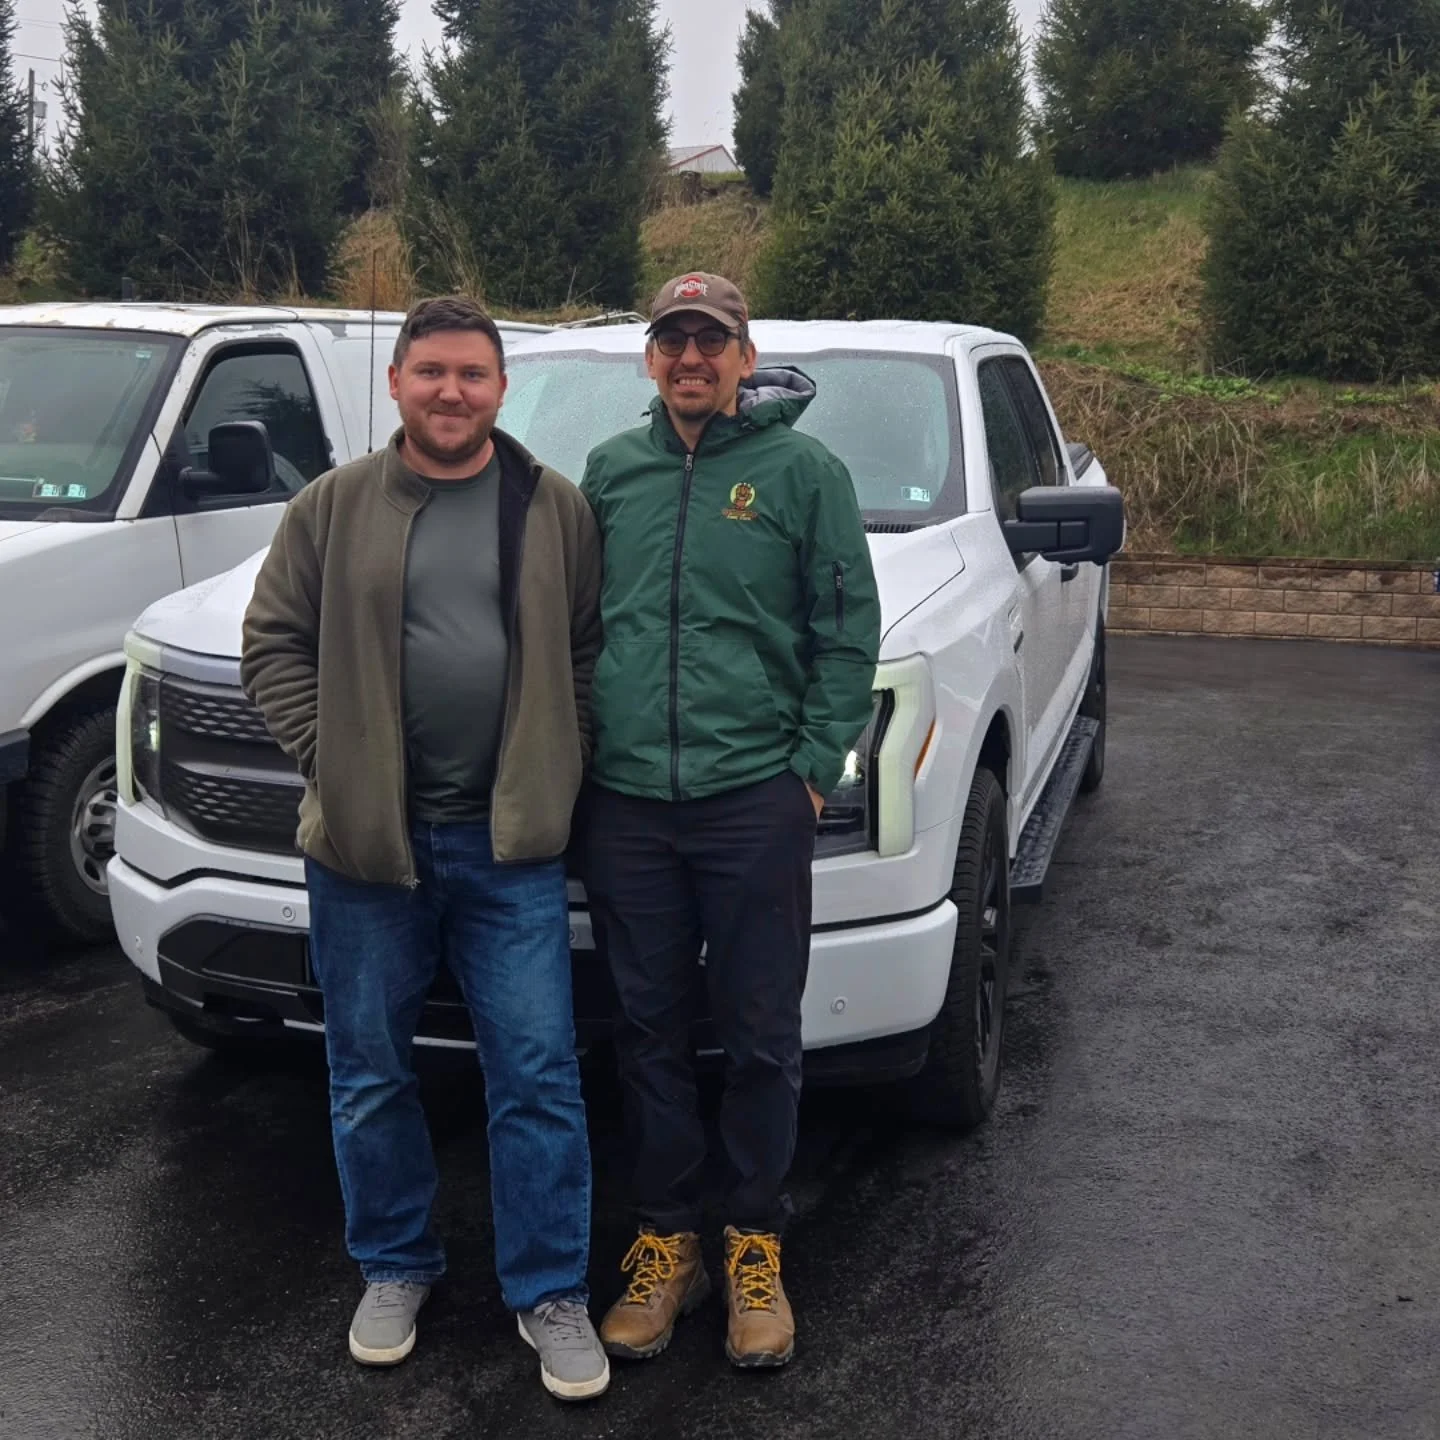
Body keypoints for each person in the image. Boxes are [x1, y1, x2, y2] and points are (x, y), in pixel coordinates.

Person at [240, 295, 609, 1402]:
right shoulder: (331, 505)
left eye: (474, 375)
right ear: (396, 382)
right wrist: (330, 757)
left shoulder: (553, 506)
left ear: (502, 389)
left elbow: (585, 650)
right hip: (365, 854)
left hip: (511, 850)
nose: (453, 392)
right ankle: (395, 1265)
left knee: (538, 1074)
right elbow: (272, 642)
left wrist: (562, 755)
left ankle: (549, 1290)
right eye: (432, 371)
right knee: (366, 1077)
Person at [579, 272, 881, 1369]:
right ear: (650, 359)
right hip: (626, 805)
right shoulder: (611, 474)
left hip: (754, 798)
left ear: (747, 358)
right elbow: (579, 627)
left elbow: (849, 634)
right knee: (648, 1031)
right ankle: (669, 1245)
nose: (693, 358)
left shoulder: (804, 473)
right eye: (674, 341)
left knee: (760, 1034)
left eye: (713, 340)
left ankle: (754, 1241)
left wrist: (809, 770)